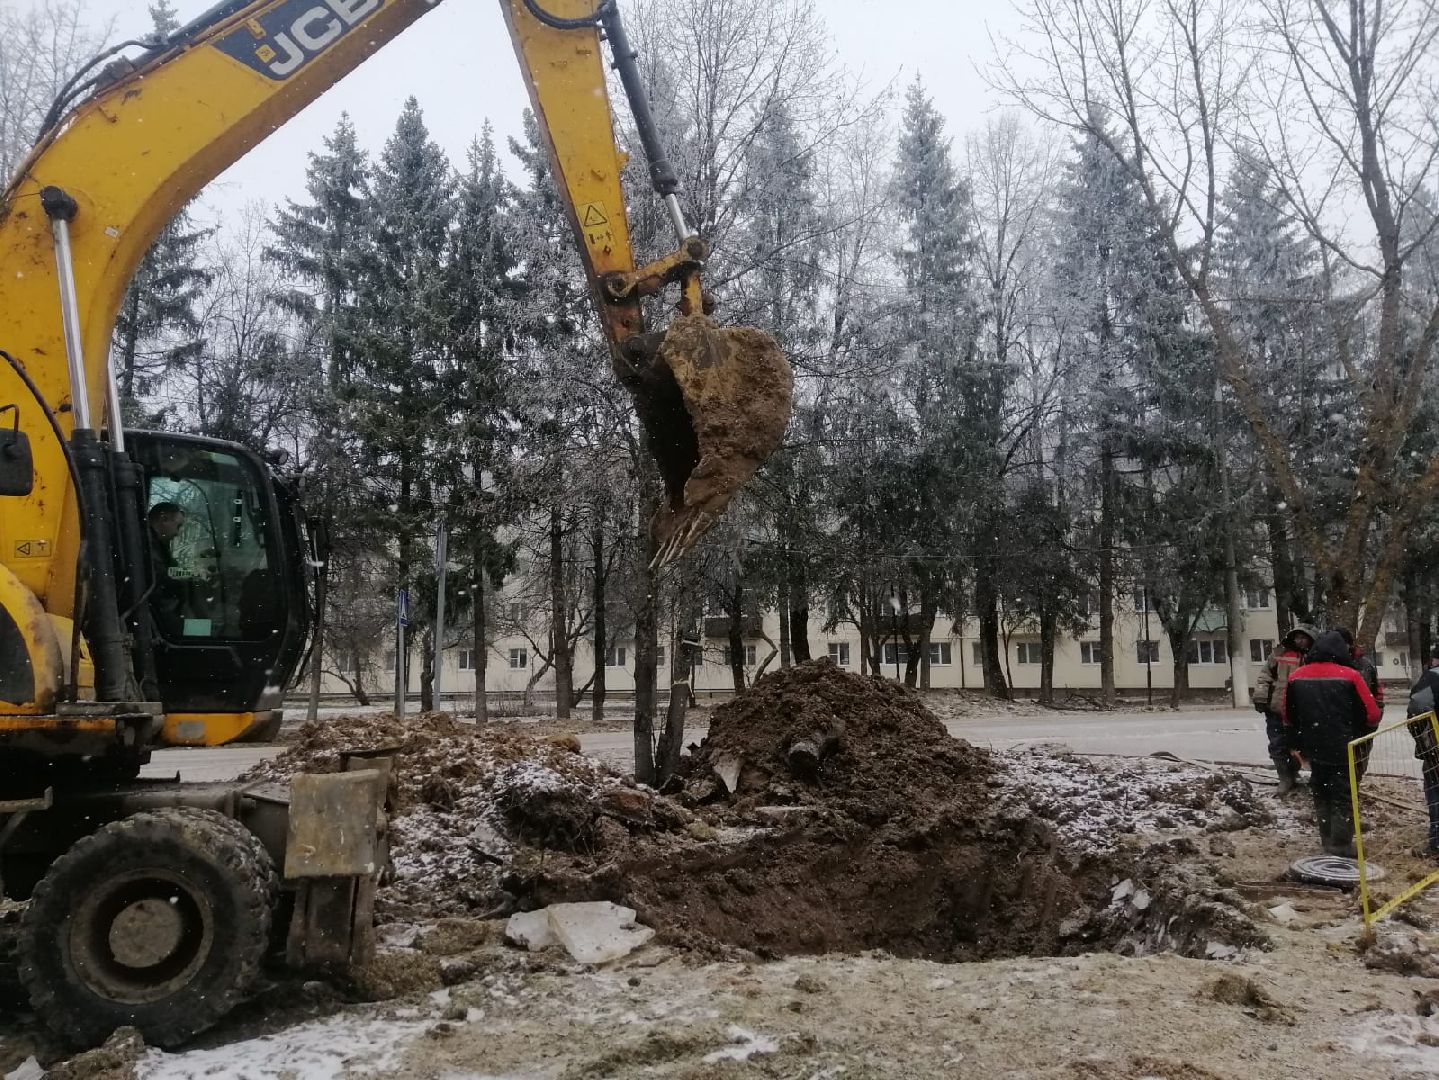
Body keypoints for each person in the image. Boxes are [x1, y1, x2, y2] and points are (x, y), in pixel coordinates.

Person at [1282, 629, 1382, 857]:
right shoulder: (1351, 675)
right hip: (1344, 746)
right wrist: (1359, 729)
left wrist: (1299, 741)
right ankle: (1341, 846)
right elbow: (1373, 714)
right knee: (1343, 796)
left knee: (1321, 792)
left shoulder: (1296, 676)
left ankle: (1327, 841)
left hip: (1313, 747)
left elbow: (1287, 716)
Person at [1253, 623, 1317, 795]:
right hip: (1277, 708)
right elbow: (1265, 675)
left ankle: (1312, 778)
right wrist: (1260, 696)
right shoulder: (1280, 653)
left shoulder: (1317, 656)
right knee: (1278, 744)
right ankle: (1285, 778)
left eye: (1303, 637)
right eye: (1297, 637)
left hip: (1303, 711)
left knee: (1306, 746)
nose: (1300, 641)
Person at [1335, 627, 1385, 782]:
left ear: (1348, 644)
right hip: (1342, 721)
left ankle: (1353, 788)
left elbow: (1367, 695)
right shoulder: (1335, 662)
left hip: (1361, 720)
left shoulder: (1362, 665)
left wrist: (1372, 720)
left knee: (1358, 759)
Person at [1406, 650, 1439, 857]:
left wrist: (1425, 743)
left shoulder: (1433, 676)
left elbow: (1417, 708)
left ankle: (1437, 844)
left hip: (1437, 749)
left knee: (1436, 793)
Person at [147, 502, 187, 637]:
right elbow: (160, 580)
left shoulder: (157, 545)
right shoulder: (146, 545)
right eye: (178, 526)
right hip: (154, 615)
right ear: (163, 519)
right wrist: (186, 584)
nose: (177, 533)